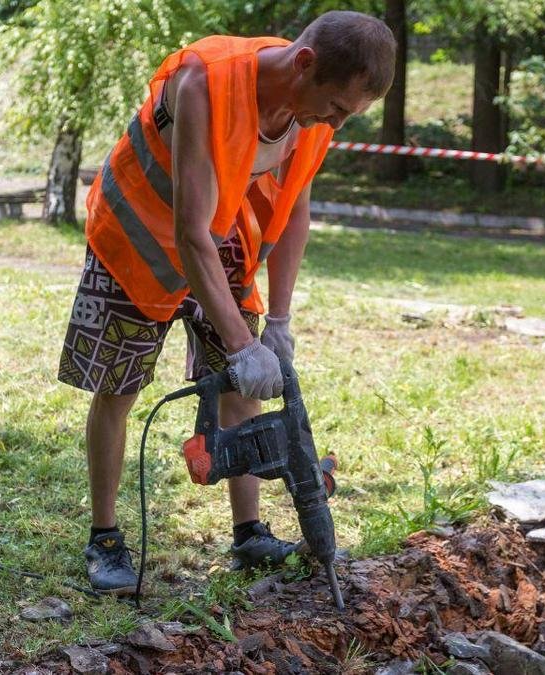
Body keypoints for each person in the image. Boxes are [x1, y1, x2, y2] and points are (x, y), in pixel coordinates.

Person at [57, 10, 396, 595]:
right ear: (305, 63)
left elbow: (292, 212)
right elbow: (189, 231)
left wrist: (278, 324)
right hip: (142, 229)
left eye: (347, 116)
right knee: (120, 386)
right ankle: (105, 536)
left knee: (241, 387)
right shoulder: (206, 85)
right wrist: (242, 344)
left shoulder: (308, 113)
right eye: (337, 107)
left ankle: (248, 534)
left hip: (222, 233)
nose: (336, 124)